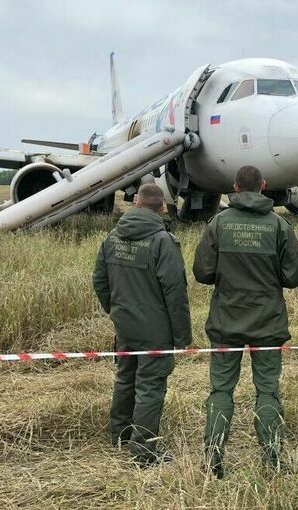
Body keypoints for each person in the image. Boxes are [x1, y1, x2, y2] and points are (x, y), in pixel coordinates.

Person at [193, 166, 298, 478]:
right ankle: (273, 458)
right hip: (267, 323)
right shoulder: (280, 225)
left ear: (235, 187)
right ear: (264, 186)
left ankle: (214, 459)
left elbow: (202, 273)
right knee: (267, 390)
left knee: (221, 391)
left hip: (227, 322)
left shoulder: (218, 223)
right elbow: (293, 277)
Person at [92, 183, 192, 467]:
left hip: (125, 326)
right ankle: (144, 452)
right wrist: (183, 337)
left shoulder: (111, 238)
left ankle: (121, 435)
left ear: (136, 203)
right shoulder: (163, 241)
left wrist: (116, 311)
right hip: (155, 331)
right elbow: (175, 293)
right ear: (161, 207)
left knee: (125, 378)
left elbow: (99, 281)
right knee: (150, 387)